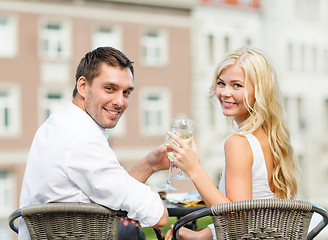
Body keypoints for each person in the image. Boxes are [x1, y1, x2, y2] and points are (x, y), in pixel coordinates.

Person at [18, 46, 169, 240]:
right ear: (83, 86)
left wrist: (150, 164)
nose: (119, 102)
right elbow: (158, 216)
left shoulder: (55, 124)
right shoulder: (82, 137)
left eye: (126, 93)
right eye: (110, 89)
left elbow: (109, 189)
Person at [165, 47, 298, 240]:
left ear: (259, 91)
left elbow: (236, 217)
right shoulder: (271, 139)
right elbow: (255, 218)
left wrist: (194, 168)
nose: (225, 93)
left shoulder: (238, 143)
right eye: (221, 83)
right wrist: (202, 235)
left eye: (237, 85)